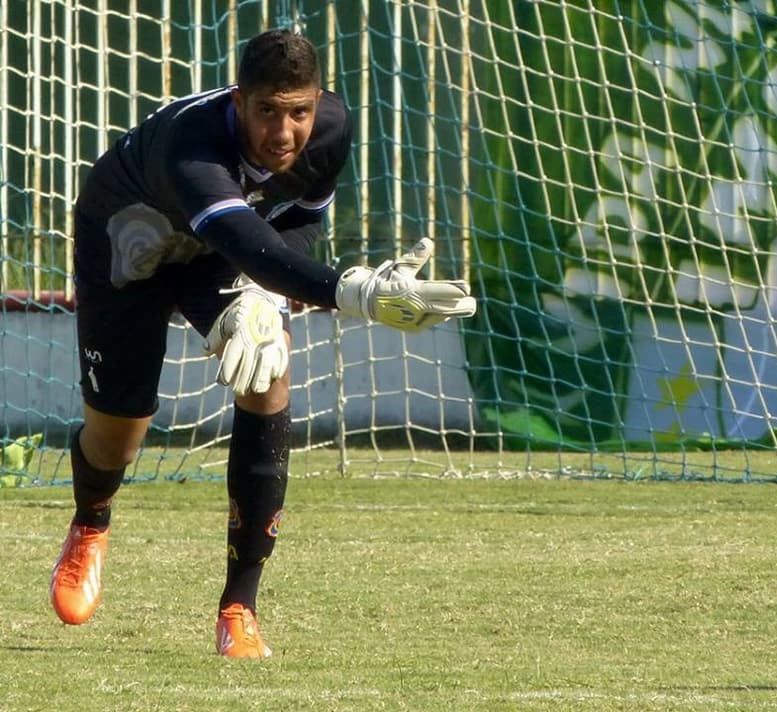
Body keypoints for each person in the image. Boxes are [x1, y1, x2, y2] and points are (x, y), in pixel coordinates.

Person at [49, 28, 475, 659]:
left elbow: (296, 222)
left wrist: (264, 299)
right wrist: (355, 291)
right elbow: (250, 244)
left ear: (319, 101)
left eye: (298, 112)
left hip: (221, 254)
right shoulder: (191, 147)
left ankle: (238, 607)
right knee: (120, 432)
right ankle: (92, 520)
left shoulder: (332, 129)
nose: (284, 133)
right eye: (267, 112)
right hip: (127, 245)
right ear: (238, 100)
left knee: (267, 373)